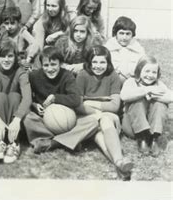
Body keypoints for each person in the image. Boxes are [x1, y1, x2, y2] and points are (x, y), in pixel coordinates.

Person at [23, 46, 100, 154]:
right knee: (28, 119)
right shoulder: (34, 76)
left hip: (67, 120)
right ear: (41, 65)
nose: (50, 69)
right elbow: (27, 96)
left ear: (60, 64)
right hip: (45, 120)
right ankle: (69, 140)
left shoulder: (67, 76)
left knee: (92, 123)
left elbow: (76, 99)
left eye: (54, 64)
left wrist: (55, 98)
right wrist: (35, 105)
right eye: (46, 65)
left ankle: (52, 143)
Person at [76, 45, 134, 180]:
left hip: (108, 117)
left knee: (105, 120)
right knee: (98, 135)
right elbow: (78, 105)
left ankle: (119, 161)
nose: (98, 66)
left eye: (102, 62)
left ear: (108, 63)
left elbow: (114, 106)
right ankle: (119, 163)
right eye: (94, 62)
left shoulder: (113, 76)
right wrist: (95, 111)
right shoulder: (82, 75)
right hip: (88, 117)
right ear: (89, 63)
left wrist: (91, 103)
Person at [121, 55, 172, 157]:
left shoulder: (158, 84)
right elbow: (124, 96)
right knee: (138, 101)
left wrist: (152, 95)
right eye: (147, 71)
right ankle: (142, 139)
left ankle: (154, 139)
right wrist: (146, 91)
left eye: (154, 72)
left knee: (160, 104)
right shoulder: (131, 82)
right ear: (139, 71)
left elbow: (171, 97)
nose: (150, 75)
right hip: (133, 127)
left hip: (151, 127)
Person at [104, 16, 145, 82]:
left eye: (128, 34)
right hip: (112, 82)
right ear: (115, 34)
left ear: (132, 35)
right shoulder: (107, 49)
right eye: (121, 33)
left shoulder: (138, 50)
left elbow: (143, 69)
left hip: (132, 83)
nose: (124, 37)